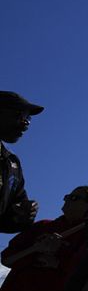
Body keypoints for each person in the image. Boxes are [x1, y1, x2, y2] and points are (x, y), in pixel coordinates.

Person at [0, 92, 41, 234]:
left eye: (28, 118)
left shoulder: (12, 163)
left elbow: (6, 220)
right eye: (19, 115)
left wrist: (23, 215)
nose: (25, 123)